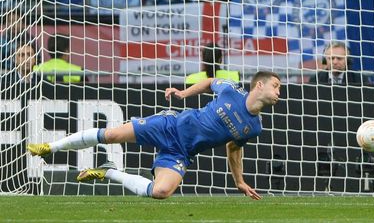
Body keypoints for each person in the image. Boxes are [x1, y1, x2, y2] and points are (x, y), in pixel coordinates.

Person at [28, 71, 281, 200]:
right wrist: (183, 94)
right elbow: (209, 81)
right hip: (170, 125)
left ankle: (108, 171)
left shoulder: (254, 127)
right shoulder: (230, 92)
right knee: (112, 135)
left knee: (161, 192)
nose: (279, 92)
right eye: (276, 86)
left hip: (181, 152)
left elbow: (234, 148)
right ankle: (50, 147)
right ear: (259, 85)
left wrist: (239, 181)